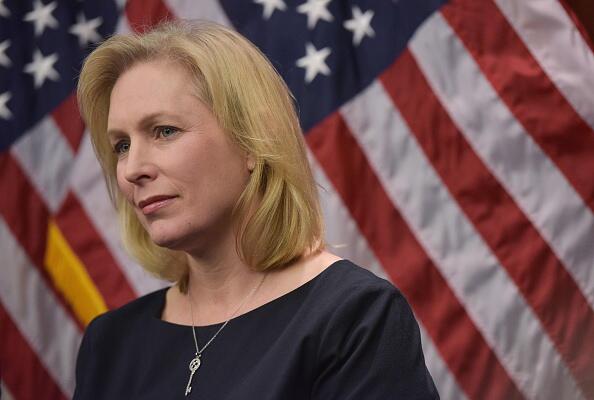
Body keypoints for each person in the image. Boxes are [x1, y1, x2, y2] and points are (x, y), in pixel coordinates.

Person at [73, 20, 439, 399]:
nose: (133, 169)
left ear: (251, 140)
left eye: (164, 131)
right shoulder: (108, 344)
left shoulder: (353, 317)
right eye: (121, 146)